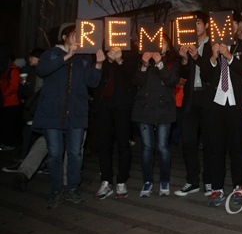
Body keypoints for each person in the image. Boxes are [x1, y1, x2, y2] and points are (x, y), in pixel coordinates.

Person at [32, 23, 104, 208]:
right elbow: (42, 70)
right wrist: (66, 56)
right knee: (55, 154)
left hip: (77, 114)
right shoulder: (51, 54)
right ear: (64, 37)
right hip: (52, 114)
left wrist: (98, 64)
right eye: (74, 34)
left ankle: (72, 188)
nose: (78, 37)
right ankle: (56, 190)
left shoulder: (84, 58)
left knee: (75, 153)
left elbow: (93, 82)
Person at [200, 10, 242, 207]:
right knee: (216, 148)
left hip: (235, 103)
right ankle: (217, 188)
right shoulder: (208, 47)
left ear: (237, 26)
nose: (229, 27)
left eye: (233, 23)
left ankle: (239, 187)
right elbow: (204, 75)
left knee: (237, 148)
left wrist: (230, 56)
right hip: (215, 103)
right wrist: (213, 58)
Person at [131, 33, 181, 197]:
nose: (160, 45)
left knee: (162, 147)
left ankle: (164, 180)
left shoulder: (172, 62)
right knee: (147, 147)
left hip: (164, 110)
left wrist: (159, 63)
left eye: (163, 43)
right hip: (144, 110)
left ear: (168, 46)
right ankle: (147, 181)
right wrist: (144, 65)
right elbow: (137, 81)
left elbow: (172, 81)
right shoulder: (143, 61)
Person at [175, 11, 214, 197]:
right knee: (188, 141)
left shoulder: (213, 45)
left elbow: (210, 72)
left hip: (207, 98)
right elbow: (182, 73)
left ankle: (209, 181)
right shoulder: (187, 43)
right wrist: (184, 59)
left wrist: (197, 56)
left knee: (208, 142)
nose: (195, 26)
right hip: (190, 98)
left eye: (198, 22)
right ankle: (192, 180)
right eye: (193, 24)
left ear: (206, 25)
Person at [92, 47, 138, 200]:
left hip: (122, 105)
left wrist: (120, 61)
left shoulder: (131, 51)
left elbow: (133, 77)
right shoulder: (99, 48)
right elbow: (93, 80)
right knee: (104, 143)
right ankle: (106, 180)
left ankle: (122, 181)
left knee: (123, 143)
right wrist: (105, 61)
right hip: (103, 104)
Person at [0, 54, 22, 152]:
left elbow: (13, 87)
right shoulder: (7, 70)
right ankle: (5, 142)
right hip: (6, 101)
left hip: (11, 102)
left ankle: (8, 143)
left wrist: (4, 95)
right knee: (5, 123)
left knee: (9, 124)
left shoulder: (13, 71)